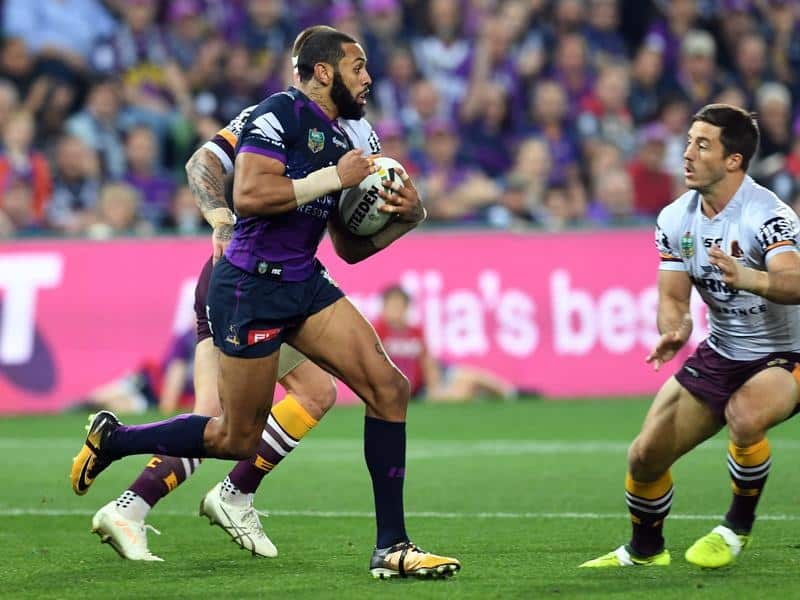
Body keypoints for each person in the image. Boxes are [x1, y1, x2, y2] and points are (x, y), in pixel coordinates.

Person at [73, 28, 460, 579]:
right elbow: (249, 194)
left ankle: (392, 547)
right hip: (249, 286)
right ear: (323, 72)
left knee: (388, 388)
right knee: (235, 436)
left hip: (304, 281)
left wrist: (407, 218)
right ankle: (115, 440)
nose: (368, 78)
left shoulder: (359, 135)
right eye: (357, 67)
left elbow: (349, 247)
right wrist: (329, 177)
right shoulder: (277, 114)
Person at [580, 104, 800, 569]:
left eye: (702, 145)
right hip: (723, 350)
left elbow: (794, 281)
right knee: (645, 456)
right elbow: (673, 296)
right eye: (688, 142)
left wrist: (750, 277)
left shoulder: (768, 215)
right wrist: (675, 328)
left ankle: (735, 529)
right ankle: (645, 551)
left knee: (745, 415)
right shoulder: (675, 218)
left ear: (733, 160)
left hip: (788, 352)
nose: (687, 154)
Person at [374, 285, 516, 401]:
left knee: (472, 377)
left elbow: (427, 362)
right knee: (462, 391)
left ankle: (510, 393)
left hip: (426, 379)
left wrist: (434, 387)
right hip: (411, 390)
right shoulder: (377, 332)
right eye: (392, 306)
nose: (396, 311)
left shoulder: (415, 332)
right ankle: (483, 397)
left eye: (399, 306)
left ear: (406, 308)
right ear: (384, 307)